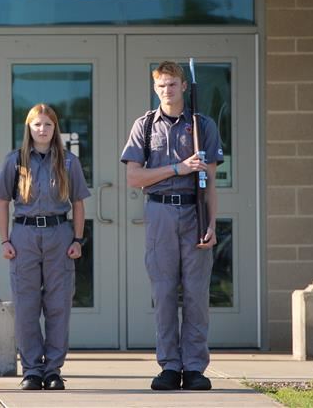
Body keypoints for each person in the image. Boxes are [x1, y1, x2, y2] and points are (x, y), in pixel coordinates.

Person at [120, 61, 222, 391]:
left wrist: (211, 223)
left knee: (196, 294)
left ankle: (194, 367)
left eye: (173, 84)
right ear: (155, 88)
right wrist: (178, 168)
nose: (167, 90)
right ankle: (169, 365)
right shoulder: (145, 125)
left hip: (194, 211)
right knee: (163, 293)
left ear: (184, 86)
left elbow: (210, 182)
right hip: (160, 212)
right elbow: (134, 177)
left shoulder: (202, 125)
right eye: (162, 85)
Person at [0, 103, 90, 391]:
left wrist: (77, 239)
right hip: (24, 235)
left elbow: (78, 203)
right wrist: (5, 240)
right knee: (26, 307)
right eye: (37, 124)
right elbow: (2, 202)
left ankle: (53, 370)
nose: (42, 130)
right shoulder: (15, 161)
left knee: (58, 306)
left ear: (55, 128)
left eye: (47, 124)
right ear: (29, 128)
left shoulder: (68, 162)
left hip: (59, 235)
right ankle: (32, 370)